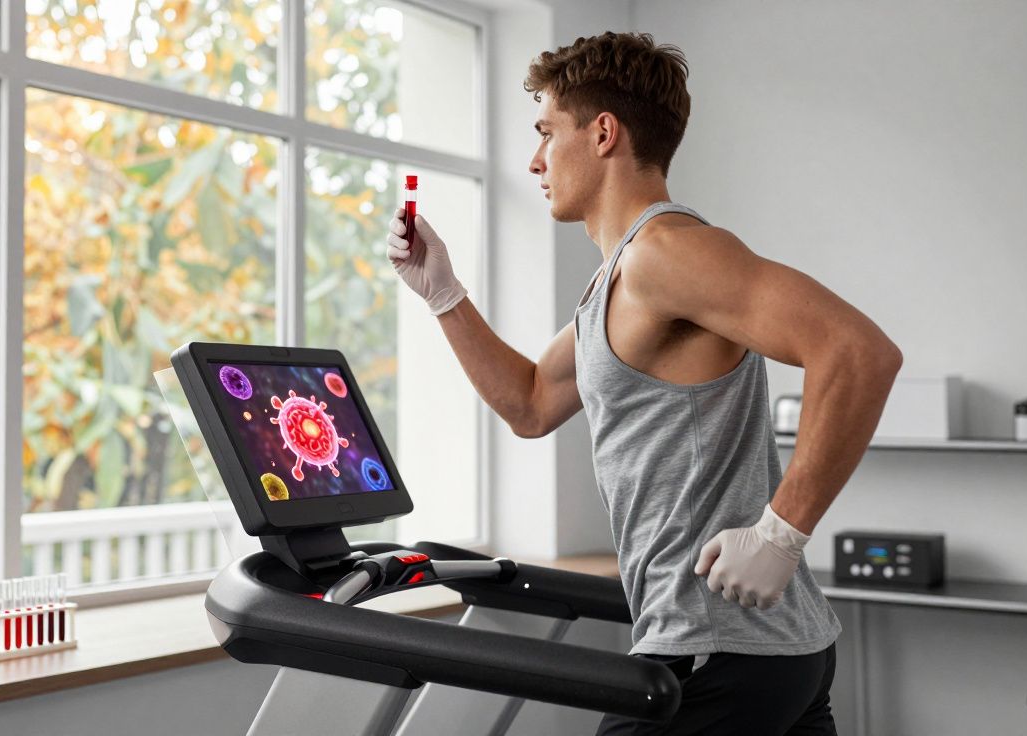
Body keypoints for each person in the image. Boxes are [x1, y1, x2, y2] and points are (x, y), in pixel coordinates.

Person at [385, 31, 902, 735]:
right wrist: (444, 294)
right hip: (765, 649)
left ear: (603, 133)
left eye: (546, 132)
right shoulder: (620, 277)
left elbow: (859, 352)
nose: (535, 161)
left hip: (717, 649)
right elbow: (531, 403)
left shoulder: (666, 255)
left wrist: (781, 533)